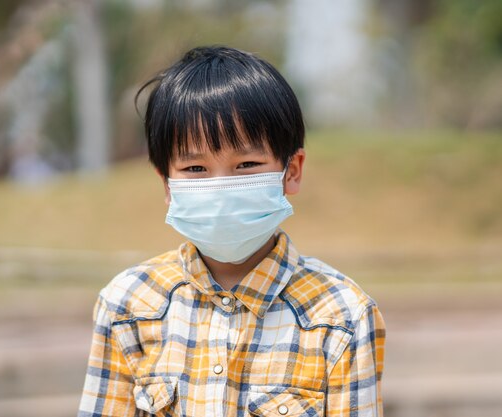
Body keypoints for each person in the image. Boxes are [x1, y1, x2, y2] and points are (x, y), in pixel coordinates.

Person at [77, 45, 385, 417]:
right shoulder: (126, 306)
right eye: (195, 169)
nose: (221, 187)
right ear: (166, 183)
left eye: (247, 164)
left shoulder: (343, 316)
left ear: (292, 170)